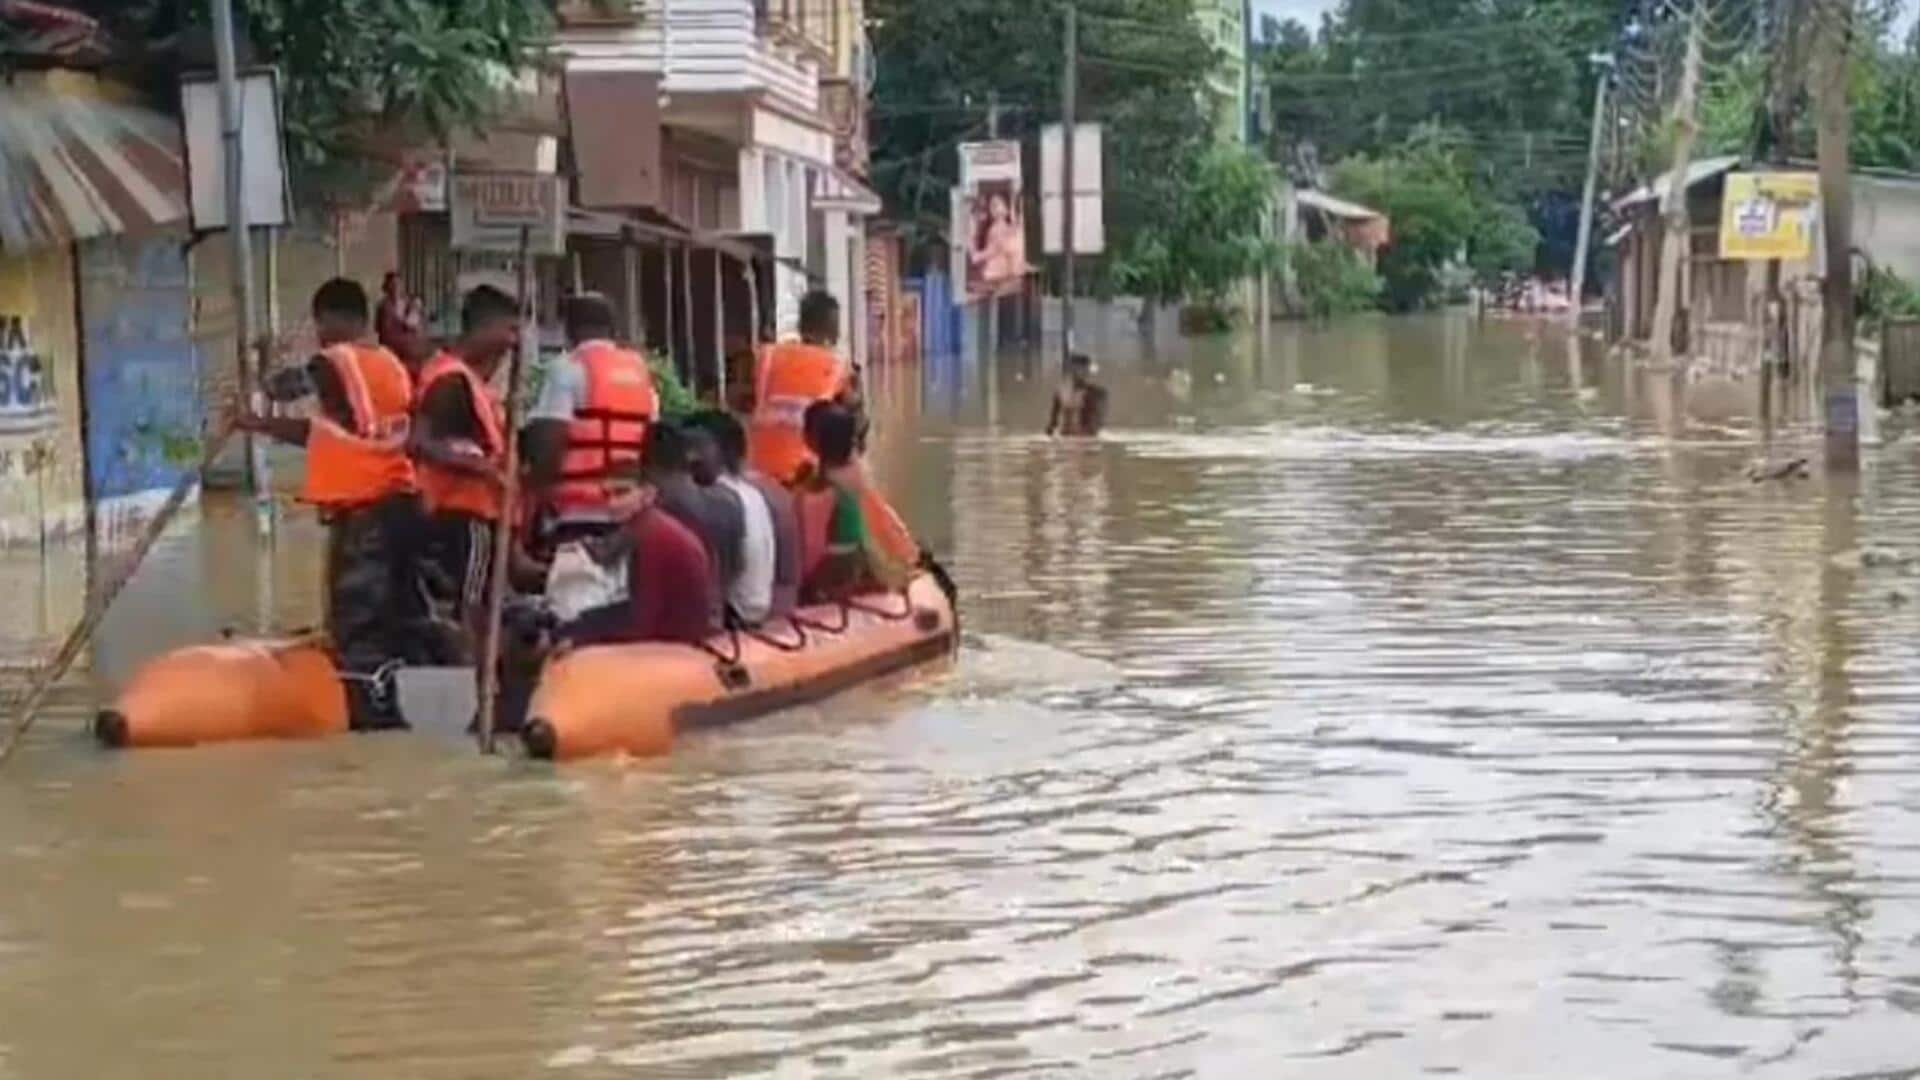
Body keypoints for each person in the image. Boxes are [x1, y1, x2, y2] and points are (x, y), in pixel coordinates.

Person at [237, 278, 423, 730]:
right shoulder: (390, 367)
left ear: (333, 320)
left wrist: (260, 368)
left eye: (320, 325)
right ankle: (403, 711)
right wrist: (259, 425)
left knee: (356, 626)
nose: (318, 336)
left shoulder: (337, 361)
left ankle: (363, 723)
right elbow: (327, 435)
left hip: (364, 517)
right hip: (401, 506)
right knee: (397, 619)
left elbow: (288, 386)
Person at [410, 285, 517, 637]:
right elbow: (420, 441)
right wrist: (481, 468)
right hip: (462, 513)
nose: (512, 342)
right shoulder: (451, 379)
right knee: (468, 606)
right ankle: (471, 675)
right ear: (486, 327)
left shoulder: (469, 379)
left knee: (469, 602)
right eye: (509, 329)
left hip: (462, 514)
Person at [524, 293, 659, 552]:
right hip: (630, 510)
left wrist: (533, 495)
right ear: (613, 330)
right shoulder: (641, 373)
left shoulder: (568, 368)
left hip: (578, 512)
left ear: (570, 329)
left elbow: (550, 440)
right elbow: (654, 440)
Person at [561, 435, 717, 648]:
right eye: (606, 495)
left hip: (674, 649)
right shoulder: (645, 527)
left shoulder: (652, 536)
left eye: (622, 493)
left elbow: (643, 621)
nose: (613, 503)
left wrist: (580, 637)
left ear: (648, 494)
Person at [792, 402, 914, 602]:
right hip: (862, 562)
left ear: (810, 440)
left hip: (834, 576)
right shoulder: (855, 476)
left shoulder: (822, 492)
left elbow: (811, 550)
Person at [689, 410, 791, 625]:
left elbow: (718, 581)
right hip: (756, 610)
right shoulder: (749, 492)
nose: (690, 457)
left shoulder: (717, 497)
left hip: (736, 616)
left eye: (697, 447)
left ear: (719, 449)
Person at [746, 289, 856, 484]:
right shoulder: (838, 367)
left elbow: (743, 402)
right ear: (835, 330)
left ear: (800, 325)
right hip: (805, 479)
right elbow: (854, 432)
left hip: (757, 474)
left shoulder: (767, 356)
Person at [650, 419, 743, 626]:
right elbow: (737, 567)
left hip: (680, 636)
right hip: (720, 625)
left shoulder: (660, 508)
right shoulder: (730, 501)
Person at [375, 272, 428, 372]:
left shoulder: (412, 304)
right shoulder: (383, 307)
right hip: (393, 354)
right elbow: (380, 329)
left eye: (398, 284)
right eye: (392, 285)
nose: (395, 288)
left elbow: (420, 326)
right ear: (386, 288)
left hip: (412, 354)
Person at [1047, 352, 1107, 437]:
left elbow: (1099, 420)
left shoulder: (1097, 393)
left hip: (1087, 438)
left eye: (1082, 369)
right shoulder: (1060, 391)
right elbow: (1052, 423)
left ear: (1088, 371)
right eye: (1075, 368)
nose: (1077, 372)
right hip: (1065, 436)